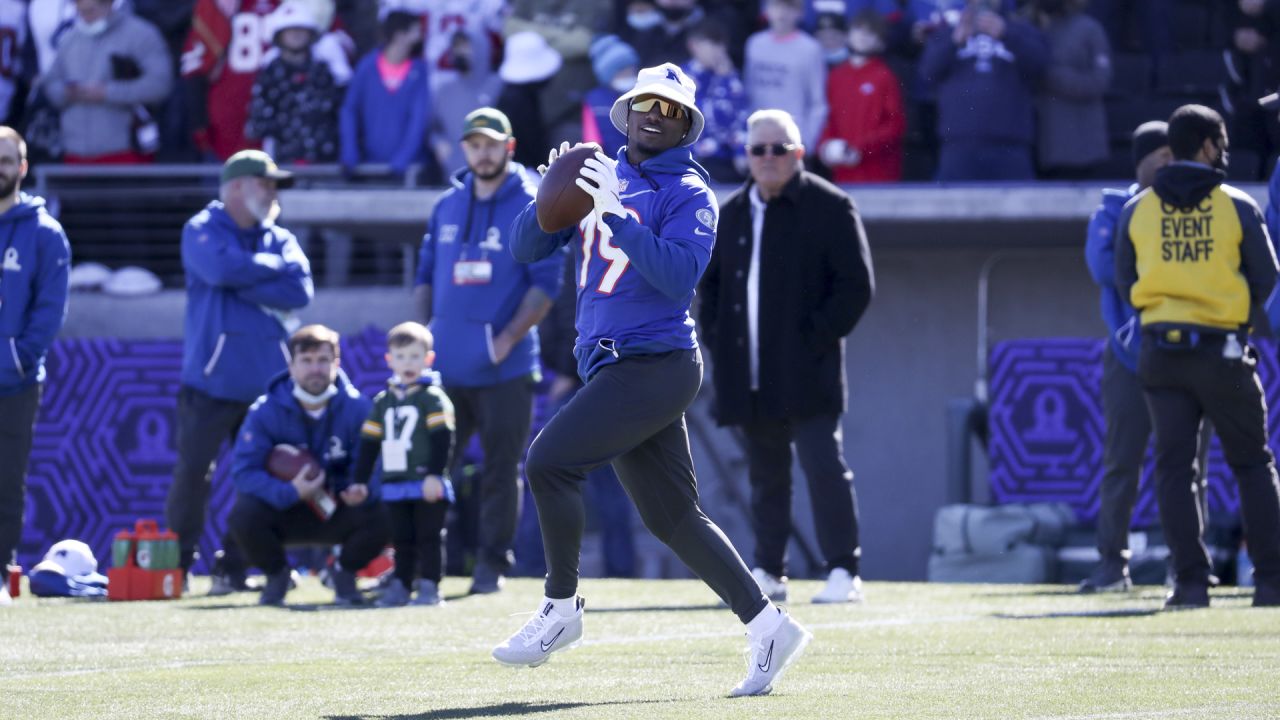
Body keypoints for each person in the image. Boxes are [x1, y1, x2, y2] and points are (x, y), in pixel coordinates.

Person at [499, 62, 812, 697]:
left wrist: (618, 217)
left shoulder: (691, 193)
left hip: (657, 363)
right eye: (647, 104)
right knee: (673, 518)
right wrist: (548, 197)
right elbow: (525, 251)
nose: (654, 116)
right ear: (629, 110)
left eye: (670, 111)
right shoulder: (598, 171)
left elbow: (676, 277)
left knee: (550, 463)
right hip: (611, 364)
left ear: (686, 127)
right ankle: (768, 623)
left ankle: (560, 609)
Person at [699, 108, 874, 605]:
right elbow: (708, 292)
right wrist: (717, 339)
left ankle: (844, 570)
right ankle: (769, 569)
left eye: (780, 149)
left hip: (808, 372)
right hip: (748, 374)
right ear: (747, 156)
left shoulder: (831, 206)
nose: (769, 158)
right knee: (764, 475)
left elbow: (856, 288)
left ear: (800, 153)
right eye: (759, 149)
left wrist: (813, 339)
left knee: (824, 467)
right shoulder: (729, 213)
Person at [1115, 104, 1280, 609]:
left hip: (1161, 354)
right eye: (1220, 141)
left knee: (1173, 469)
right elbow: (1268, 277)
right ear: (1207, 146)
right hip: (1223, 352)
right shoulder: (1235, 205)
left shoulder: (1136, 209)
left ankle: (1189, 583)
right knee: (1252, 464)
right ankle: (1271, 584)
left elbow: (1127, 283)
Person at [413, 107, 563, 594]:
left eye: (492, 144)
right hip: (447, 367)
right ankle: (423, 565)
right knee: (432, 468)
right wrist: (422, 335)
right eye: (474, 144)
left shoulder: (535, 202)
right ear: (464, 150)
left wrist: (506, 340)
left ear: (509, 147)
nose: (483, 153)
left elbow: (546, 285)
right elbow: (424, 275)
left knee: (501, 471)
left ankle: (491, 566)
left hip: (506, 369)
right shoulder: (446, 205)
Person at [167, 149, 313, 592]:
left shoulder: (279, 236)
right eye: (264, 183)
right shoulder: (201, 229)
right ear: (235, 187)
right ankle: (177, 568)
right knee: (194, 475)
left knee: (261, 481)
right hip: (209, 384)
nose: (272, 193)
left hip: (265, 387)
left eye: (274, 186)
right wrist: (268, 271)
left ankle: (233, 568)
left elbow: (300, 289)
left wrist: (243, 272)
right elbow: (217, 267)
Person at [1082, 120, 1214, 592]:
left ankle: (1188, 567)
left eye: (1173, 158)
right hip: (1129, 354)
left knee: (1186, 466)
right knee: (1122, 462)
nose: (1168, 167)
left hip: (1185, 354)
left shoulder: (1196, 205)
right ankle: (1111, 565)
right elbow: (1104, 268)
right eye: (1160, 158)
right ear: (1140, 162)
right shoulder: (1113, 211)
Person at [227, 324, 387, 607]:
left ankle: (344, 573)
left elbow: (378, 464)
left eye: (323, 360)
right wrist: (290, 491)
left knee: (391, 509)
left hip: (341, 510)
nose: (315, 369)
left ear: (336, 364)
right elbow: (244, 472)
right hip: (287, 509)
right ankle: (277, 576)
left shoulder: (359, 409)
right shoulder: (265, 411)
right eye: (307, 361)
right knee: (244, 513)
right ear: (291, 366)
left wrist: (360, 488)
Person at [0, 126, 70, 606]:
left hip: (13, 382)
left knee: (6, 481)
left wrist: (19, 357)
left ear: (22, 168)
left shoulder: (44, 232)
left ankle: (1, 572)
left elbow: (50, 309)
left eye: (6, 159)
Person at [352, 322, 455, 607]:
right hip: (395, 483)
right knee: (402, 539)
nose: (407, 363)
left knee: (429, 537)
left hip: (425, 482)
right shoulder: (384, 400)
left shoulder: (433, 397)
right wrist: (359, 479)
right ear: (389, 360)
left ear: (428, 359)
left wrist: (435, 474)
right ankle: (401, 585)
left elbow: (442, 438)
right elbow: (370, 442)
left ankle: (430, 586)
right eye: (401, 356)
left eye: (414, 356)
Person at [918, 0, 1048, 181]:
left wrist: (1006, 34)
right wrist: (954, 42)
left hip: (1011, 145)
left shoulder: (1022, 30)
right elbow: (928, 73)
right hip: (958, 146)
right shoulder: (947, 33)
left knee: (1017, 208)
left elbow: (1040, 68)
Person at [40, 0, 172, 163]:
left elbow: (159, 84)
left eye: (91, 11)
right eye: (81, 12)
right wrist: (67, 92)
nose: (86, 17)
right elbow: (51, 85)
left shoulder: (141, 34)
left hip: (125, 152)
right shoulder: (70, 40)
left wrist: (107, 92)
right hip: (74, 153)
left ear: (109, 4)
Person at [181, 0, 281, 161]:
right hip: (227, 122)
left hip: (283, 125)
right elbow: (194, 71)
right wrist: (199, 122)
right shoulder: (213, 9)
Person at [246, 0, 343, 164]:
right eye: (290, 30)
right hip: (283, 162)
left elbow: (337, 111)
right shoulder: (269, 73)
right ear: (279, 35)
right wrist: (287, 129)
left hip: (323, 162)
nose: (296, 34)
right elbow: (256, 124)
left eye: (301, 29)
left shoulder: (323, 71)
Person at [339, 9, 431, 179]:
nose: (421, 35)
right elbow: (349, 110)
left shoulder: (419, 71)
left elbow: (419, 118)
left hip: (409, 169)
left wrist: (405, 156)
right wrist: (349, 150)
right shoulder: (366, 67)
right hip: (368, 165)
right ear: (400, 34)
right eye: (416, 30)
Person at [818, 9, 906, 183]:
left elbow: (895, 124)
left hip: (878, 170)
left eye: (870, 33)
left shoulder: (884, 76)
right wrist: (826, 146)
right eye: (858, 30)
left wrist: (859, 148)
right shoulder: (836, 76)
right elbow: (829, 118)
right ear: (849, 34)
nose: (863, 36)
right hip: (843, 169)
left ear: (880, 41)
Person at [1032, 0, 1111, 179]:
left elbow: (1099, 82)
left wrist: (1049, 74)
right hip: (1044, 146)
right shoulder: (1034, 29)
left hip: (1081, 148)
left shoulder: (1090, 29)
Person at [744, 0, 828, 148]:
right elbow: (748, 91)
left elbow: (818, 102)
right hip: (757, 137)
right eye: (776, 6)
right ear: (766, 10)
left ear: (800, 13)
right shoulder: (754, 44)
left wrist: (807, 140)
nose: (782, 13)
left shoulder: (810, 49)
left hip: (792, 140)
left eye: (789, 8)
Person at [684, 19, 750, 185]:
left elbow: (739, 116)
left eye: (722, 45)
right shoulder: (682, 77)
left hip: (730, 162)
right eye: (712, 45)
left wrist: (740, 152)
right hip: (694, 162)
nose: (719, 52)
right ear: (694, 45)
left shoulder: (729, 77)